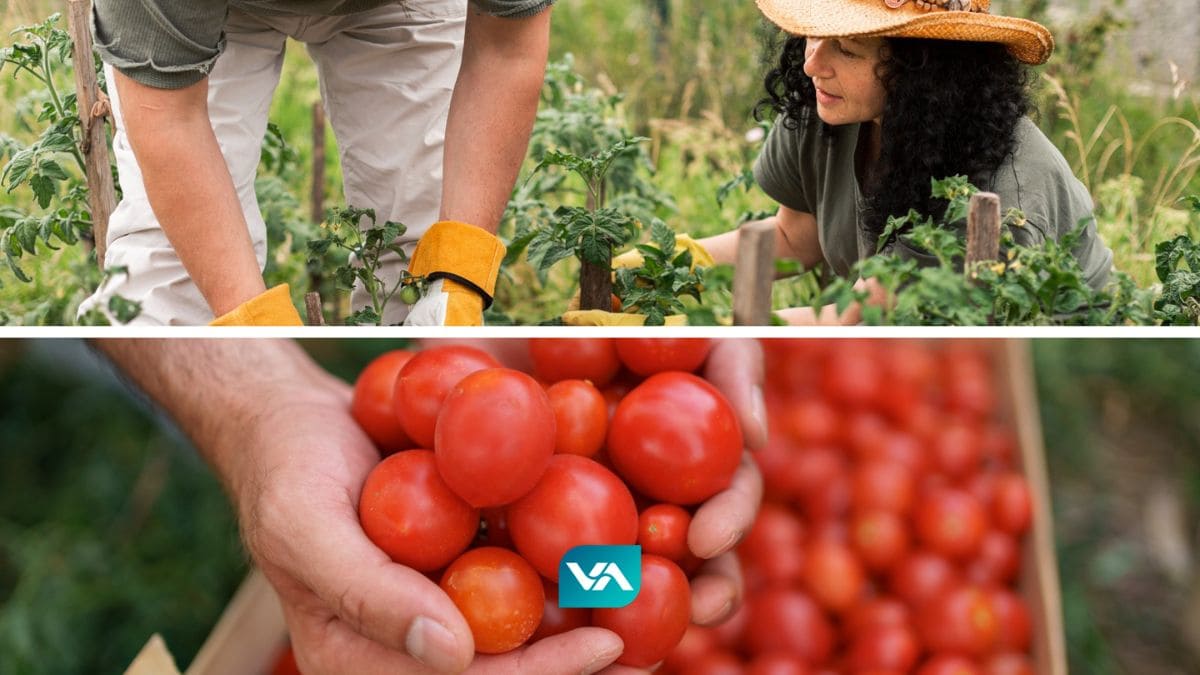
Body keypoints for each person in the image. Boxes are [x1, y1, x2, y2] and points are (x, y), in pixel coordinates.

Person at [95, 338, 767, 674]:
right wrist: (261, 407)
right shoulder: (500, 473)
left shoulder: (565, 511)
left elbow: (589, 570)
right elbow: (595, 568)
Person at [574, 0, 1115, 326]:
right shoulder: (833, 106)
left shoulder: (988, 199)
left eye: (848, 49)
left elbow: (851, 320)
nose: (813, 62)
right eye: (814, 31)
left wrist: (678, 329)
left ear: (924, 74)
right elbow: (795, 240)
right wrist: (679, 266)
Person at [79, 0, 551, 326]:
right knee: (172, 285)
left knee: (422, 262)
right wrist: (252, 326)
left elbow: (506, 49)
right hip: (199, 14)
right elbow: (169, 120)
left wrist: (460, 274)